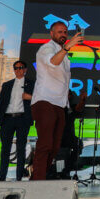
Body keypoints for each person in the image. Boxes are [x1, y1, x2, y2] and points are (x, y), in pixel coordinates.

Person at [30, 21, 83, 180]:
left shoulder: (64, 54)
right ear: (52, 34)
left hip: (60, 104)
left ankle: (38, 178)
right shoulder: (46, 48)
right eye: (59, 32)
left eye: (65, 32)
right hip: (45, 101)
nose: (63, 35)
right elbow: (53, 62)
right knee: (45, 144)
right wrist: (68, 47)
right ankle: (38, 181)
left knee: (54, 147)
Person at [0, 60, 35, 181]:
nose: (18, 70)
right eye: (16, 68)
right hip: (7, 119)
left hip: (22, 119)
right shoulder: (7, 84)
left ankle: (19, 177)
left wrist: (29, 97)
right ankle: (2, 177)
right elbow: (0, 104)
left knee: (21, 149)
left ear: (25, 69)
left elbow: (40, 98)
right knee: (5, 149)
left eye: (21, 68)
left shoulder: (32, 84)